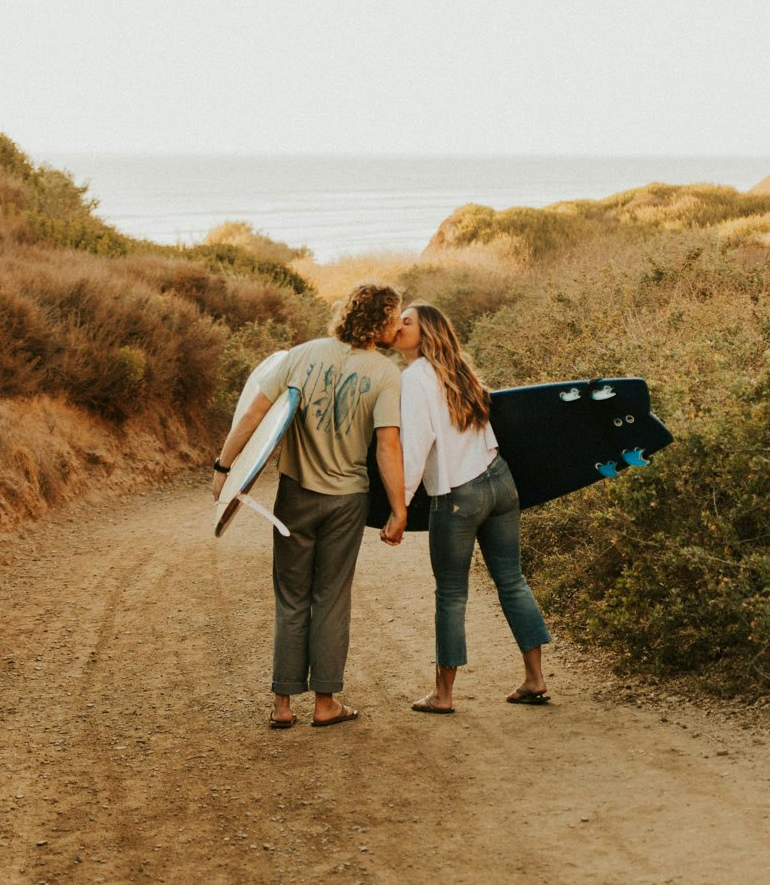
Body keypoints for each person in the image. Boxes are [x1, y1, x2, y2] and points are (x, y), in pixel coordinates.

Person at [213, 281, 409, 729]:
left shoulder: (301, 355)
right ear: (379, 322)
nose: (398, 324)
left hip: (295, 496)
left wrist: (223, 469)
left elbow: (253, 416)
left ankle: (282, 705)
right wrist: (399, 508)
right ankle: (325, 703)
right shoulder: (385, 374)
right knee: (331, 598)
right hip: (346, 501)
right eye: (394, 316)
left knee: (291, 597)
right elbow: (388, 446)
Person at [384, 302, 553, 713]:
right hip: (500, 480)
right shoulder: (459, 368)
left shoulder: (414, 379)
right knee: (512, 581)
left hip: (458, 495)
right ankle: (535, 679)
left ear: (426, 334)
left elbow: (416, 445)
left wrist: (399, 507)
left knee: (451, 594)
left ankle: (443, 695)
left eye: (407, 322)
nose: (398, 326)